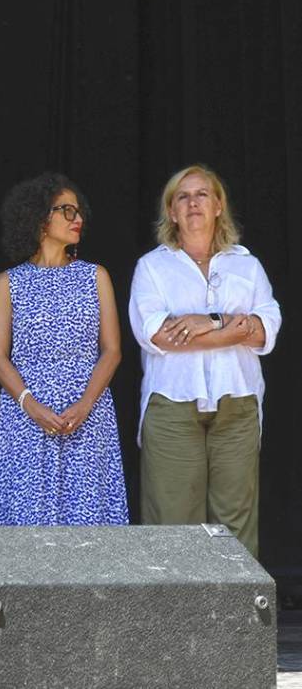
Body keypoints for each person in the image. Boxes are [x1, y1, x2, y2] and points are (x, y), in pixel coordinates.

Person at [128, 165, 279, 558]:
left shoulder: (247, 265)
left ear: (218, 206)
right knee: (173, 524)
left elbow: (265, 331)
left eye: (202, 195)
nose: (193, 203)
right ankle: (176, 603)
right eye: (183, 196)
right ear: (172, 212)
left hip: (238, 404)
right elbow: (159, 336)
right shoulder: (152, 267)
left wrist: (205, 321)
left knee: (235, 525)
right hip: (172, 405)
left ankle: (233, 602)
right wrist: (234, 328)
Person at [0, 172, 127, 526]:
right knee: (29, 520)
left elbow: (112, 350)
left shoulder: (96, 276)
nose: (77, 219)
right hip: (26, 416)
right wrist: (31, 407)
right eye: (67, 210)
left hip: (87, 413)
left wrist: (85, 405)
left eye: (78, 212)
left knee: (87, 519)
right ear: (39, 216)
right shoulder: (8, 282)